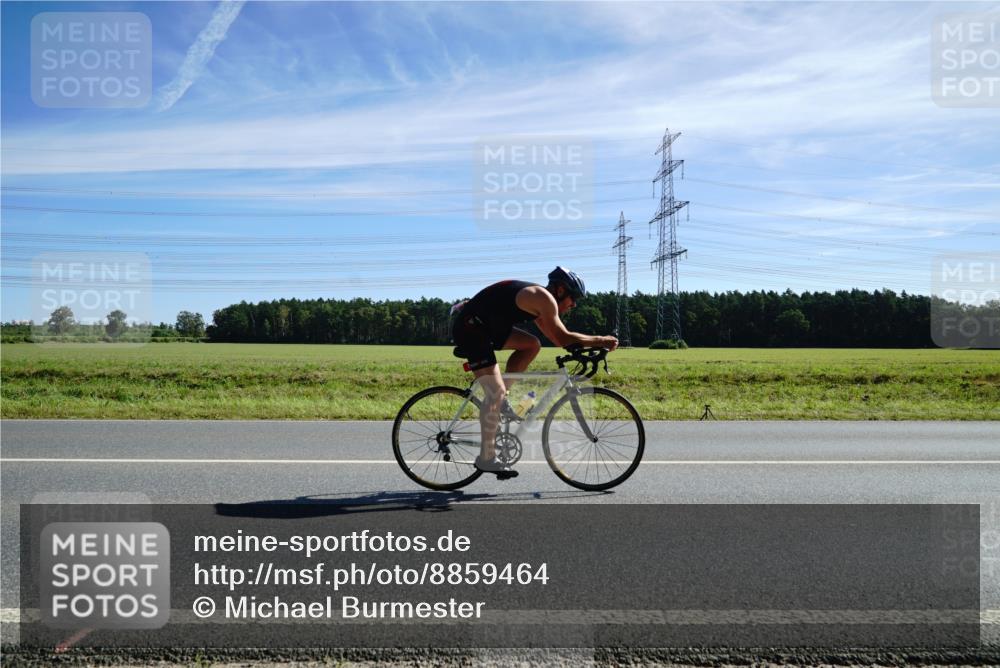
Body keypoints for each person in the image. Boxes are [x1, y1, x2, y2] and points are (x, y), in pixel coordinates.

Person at [451, 267, 618, 478]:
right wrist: (601, 340)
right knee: (494, 392)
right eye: (573, 298)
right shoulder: (543, 299)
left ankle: (502, 401)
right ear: (560, 290)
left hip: (487, 327)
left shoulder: (541, 302)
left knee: (531, 345)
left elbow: (558, 340)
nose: (574, 304)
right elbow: (563, 338)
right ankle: (486, 458)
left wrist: (588, 347)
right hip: (472, 329)